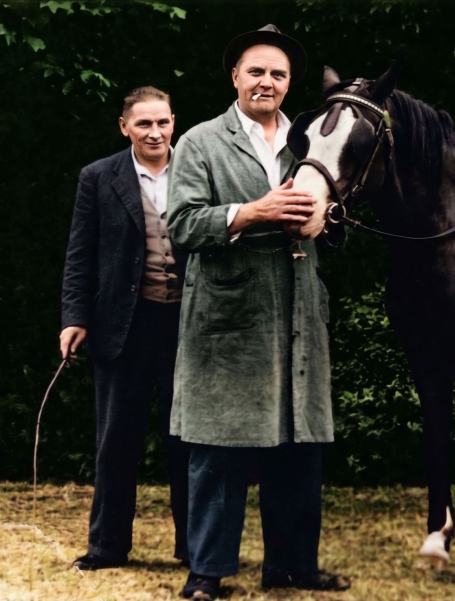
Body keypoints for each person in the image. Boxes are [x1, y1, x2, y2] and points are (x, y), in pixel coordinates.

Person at [166, 24, 349, 600]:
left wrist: (327, 222)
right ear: (235, 77)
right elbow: (182, 224)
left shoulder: (309, 142)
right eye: (256, 71)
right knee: (219, 447)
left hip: (298, 310)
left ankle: (293, 566)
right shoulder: (200, 141)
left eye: (278, 74)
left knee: (299, 445)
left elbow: (342, 217)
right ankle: (207, 573)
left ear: (289, 84)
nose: (266, 82)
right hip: (230, 315)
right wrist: (252, 211)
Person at [60, 86, 190, 569]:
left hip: (188, 323)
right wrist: (74, 319)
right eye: (143, 124)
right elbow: (80, 255)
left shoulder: (197, 168)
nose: (154, 133)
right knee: (117, 440)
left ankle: (194, 549)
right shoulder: (98, 176)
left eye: (162, 123)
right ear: (125, 127)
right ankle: (107, 547)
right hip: (121, 325)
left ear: (174, 122)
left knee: (188, 440)